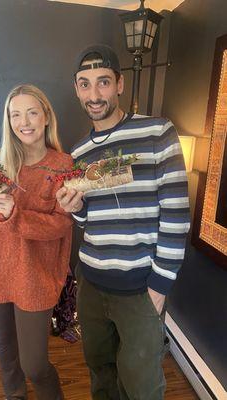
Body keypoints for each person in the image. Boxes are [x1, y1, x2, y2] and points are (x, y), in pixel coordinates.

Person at [56, 44, 190, 400]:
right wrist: (76, 207)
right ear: (77, 89)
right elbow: (90, 219)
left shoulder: (158, 132)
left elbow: (176, 217)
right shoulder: (79, 152)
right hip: (92, 284)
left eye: (102, 82)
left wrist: (158, 289)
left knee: (142, 386)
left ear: (119, 84)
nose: (94, 94)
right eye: (85, 84)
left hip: (140, 289)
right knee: (100, 374)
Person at [0, 84, 73, 400]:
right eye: (16, 114)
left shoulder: (63, 165)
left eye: (32, 112)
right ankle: (15, 396)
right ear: (8, 120)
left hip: (34, 275)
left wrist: (16, 215)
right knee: (7, 352)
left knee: (34, 364)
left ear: (46, 116)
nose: (25, 121)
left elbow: (60, 226)